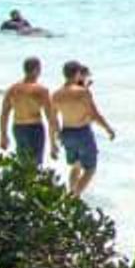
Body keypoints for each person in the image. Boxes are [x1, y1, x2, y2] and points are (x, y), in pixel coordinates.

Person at [52, 60, 116, 198]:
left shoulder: (56, 94)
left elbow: (53, 120)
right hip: (82, 132)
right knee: (90, 169)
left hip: (66, 133)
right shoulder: (82, 92)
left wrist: (56, 137)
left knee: (76, 166)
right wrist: (108, 129)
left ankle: (71, 194)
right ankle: (74, 198)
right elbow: (94, 115)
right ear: (77, 73)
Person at [0, 57, 56, 165]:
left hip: (18, 128)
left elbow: (4, 114)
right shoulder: (41, 90)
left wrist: (3, 135)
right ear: (36, 70)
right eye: (39, 69)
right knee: (36, 165)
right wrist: (53, 144)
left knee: (23, 164)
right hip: (35, 129)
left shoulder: (12, 89)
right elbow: (51, 118)